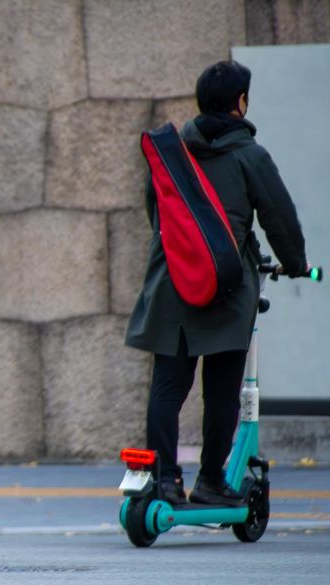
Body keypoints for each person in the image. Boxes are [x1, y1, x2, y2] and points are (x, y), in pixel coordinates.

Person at [125, 60, 310, 506]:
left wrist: (187, 254)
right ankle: (211, 482)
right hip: (227, 285)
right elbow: (279, 219)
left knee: (168, 386)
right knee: (223, 388)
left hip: (173, 280)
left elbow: (157, 209)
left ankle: (163, 481)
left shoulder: (174, 152)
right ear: (240, 103)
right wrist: (296, 265)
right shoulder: (250, 155)